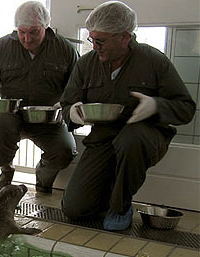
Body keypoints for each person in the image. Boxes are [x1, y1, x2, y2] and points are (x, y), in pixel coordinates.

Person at [60, 1, 196, 231]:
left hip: (145, 136)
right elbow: (66, 103)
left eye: (100, 41)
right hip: (103, 137)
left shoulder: (154, 61)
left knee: (130, 140)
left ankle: (120, 205)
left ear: (124, 37)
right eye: (91, 39)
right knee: (74, 209)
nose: (94, 46)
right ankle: (107, 194)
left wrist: (156, 106)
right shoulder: (86, 64)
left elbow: (186, 108)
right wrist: (72, 112)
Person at [0, 1, 79, 194]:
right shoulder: (1, 47)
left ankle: (44, 176)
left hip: (50, 118)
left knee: (65, 150)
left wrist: (64, 105)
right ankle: (6, 170)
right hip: (10, 115)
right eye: (22, 32)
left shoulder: (65, 49)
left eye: (33, 32)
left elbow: (78, 86)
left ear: (45, 28)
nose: (27, 38)